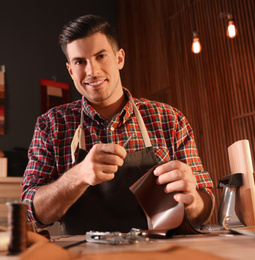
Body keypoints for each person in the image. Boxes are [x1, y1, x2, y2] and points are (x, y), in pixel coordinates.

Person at [21, 14, 214, 235]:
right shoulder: (51, 125)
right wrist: (80, 175)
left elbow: (204, 209)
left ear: (119, 58)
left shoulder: (170, 120)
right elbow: (32, 212)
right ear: (70, 70)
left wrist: (193, 201)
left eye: (101, 56)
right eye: (80, 62)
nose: (92, 71)